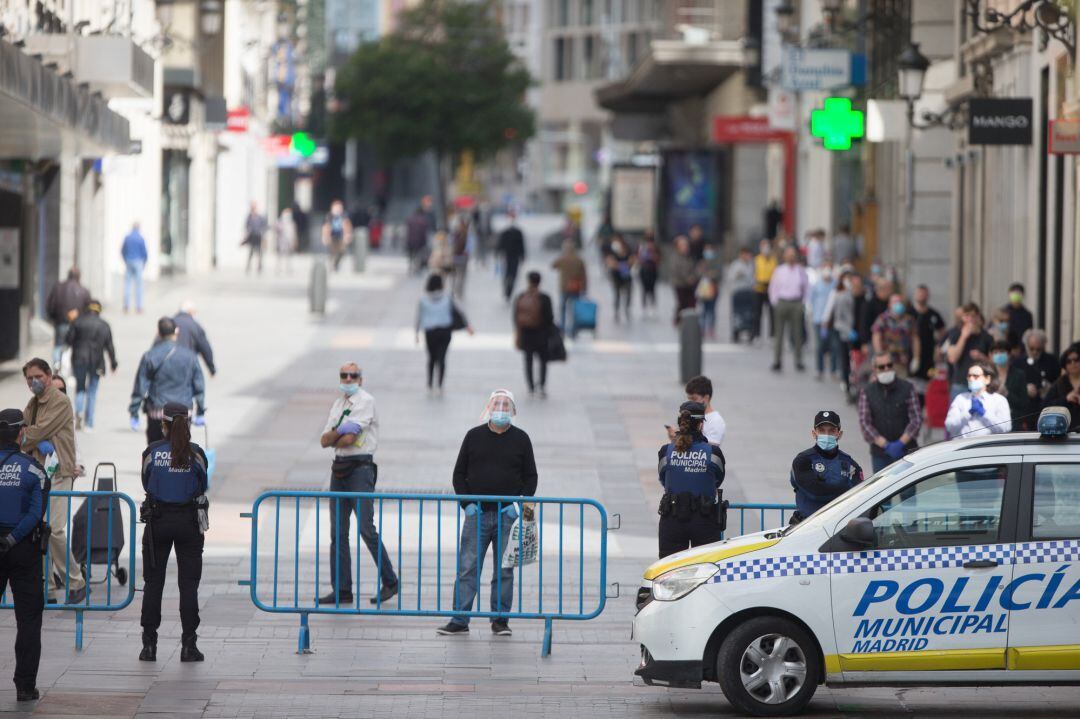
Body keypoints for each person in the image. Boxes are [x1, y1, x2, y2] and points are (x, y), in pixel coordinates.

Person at [438, 390, 537, 637]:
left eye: (506, 405)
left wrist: (518, 506)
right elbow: (459, 474)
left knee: (504, 570)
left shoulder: (521, 439)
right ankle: (459, 619)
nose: (501, 409)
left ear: (513, 411)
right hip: (477, 515)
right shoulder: (474, 436)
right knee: (468, 567)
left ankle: (500, 619)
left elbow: (531, 476)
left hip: (507, 515)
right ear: (488, 408)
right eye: (497, 404)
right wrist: (467, 505)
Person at [317, 362, 399, 605]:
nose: (349, 378)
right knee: (338, 532)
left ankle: (390, 581)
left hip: (361, 469)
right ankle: (342, 589)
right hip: (339, 469)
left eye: (354, 375)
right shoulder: (338, 403)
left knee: (366, 528)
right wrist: (337, 435)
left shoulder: (365, 401)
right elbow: (324, 440)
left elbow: (350, 437)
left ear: (361, 379)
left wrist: (336, 435)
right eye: (344, 374)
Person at [138, 401, 209, 664]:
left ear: (163, 424)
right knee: (188, 586)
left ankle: (149, 646)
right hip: (189, 523)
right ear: (188, 423)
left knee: (153, 584)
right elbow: (203, 483)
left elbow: (146, 481)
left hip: (158, 522)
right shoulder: (197, 454)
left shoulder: (152, 452)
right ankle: (189, 645)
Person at [20, 358, 86, 604]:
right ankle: (46, 588)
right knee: (41, 531)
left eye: (37, 376)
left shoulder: (60, 401)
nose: (33, 381)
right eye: (29, 378)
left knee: (55, 530)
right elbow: (21, 431)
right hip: (39, 473)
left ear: (48, 375)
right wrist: (27, 437)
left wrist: (29, 438)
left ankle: (76, 582)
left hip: (59, 472)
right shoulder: (33, 403)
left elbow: (31, 433)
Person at [0, 409, 46, 702]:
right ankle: (25, 687)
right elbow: (35, 512)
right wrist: (13, 538)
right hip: (22, 548)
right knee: (28, 619)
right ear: (21, 433)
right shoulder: (34, 470)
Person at [656, 401, 726, 558]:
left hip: (672, 519)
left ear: (680, 422)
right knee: (705, 569)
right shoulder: (713, 452)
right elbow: (718, 479)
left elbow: (663, 478)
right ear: (701, 424)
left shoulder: (666, 451)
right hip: (704, 519)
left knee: (669, 570)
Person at [129, 318, 206, 445]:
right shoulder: (190, 356)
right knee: (180, 452)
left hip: (158, 412)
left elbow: (141, 387)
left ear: (158, 333)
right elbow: (199, 385)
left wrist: (134, 411)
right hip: (183, 412)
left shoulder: (150, 356)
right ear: (176, 332)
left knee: (155, 451)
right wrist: (201, 410)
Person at [789, 410, 864, 523]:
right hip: (805, 526)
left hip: (837, 527)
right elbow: (815, 493)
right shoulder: (802, 460)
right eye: (822, 431)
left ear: (839, 434)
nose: (827, 435)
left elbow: (858, 495)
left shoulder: (850, 464)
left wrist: (825, 485)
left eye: (831, 431)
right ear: (814, 433)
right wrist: (845, 487)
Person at [858, 353, 922, 473]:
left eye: (889, 365)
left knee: (908, 491)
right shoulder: (867, 392)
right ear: (875, 369)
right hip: (880, 454)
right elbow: (865, 423)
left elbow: (916, 419)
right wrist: (886, 445)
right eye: (882, 367)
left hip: (906, 451)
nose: (886, 369)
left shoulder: (908, 388)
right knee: (880, 490)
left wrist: (900, 443)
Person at [64, 299, 117, 431]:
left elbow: (68, 340)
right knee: (92, 391)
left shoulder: (78, 322)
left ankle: (79, 412)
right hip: (97, 361)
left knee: (80, 387)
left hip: (79, 360)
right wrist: (113, 363)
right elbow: (109, 346)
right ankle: (89, 423)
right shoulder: (104, 325)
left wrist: (71, 323)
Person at [415, 274, 472, 392]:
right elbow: (460, 311)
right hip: (445, 331)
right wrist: (468, 326)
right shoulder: (448, 297)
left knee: (431, 357)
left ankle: (430, 383)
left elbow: (419, 317)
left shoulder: (423, 299)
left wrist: (416, 333)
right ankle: (440, 383)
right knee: (442, 357)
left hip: (430, 332)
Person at [513, 272, 555, 398]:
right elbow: (550, 317)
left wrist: (519, 330)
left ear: (528, 281)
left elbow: (515, 316)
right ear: (539, 282)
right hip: (541, 334)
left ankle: (530, 387)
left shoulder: (521, 296)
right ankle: (541, 385)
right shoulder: (545, 298)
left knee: (528, 360)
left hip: (526, 334)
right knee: (543, 361)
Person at [945, 361, 1012, 438]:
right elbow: (949, 427)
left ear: (987, 379)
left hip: (988, 447)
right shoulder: (960, 399)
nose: (971, 379)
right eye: (969, 376)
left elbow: (1006, 428)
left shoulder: (999, 400)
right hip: (963, 447)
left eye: (975, 376)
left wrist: (984, 414)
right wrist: (967, 414)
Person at [769, 246, 809, 372]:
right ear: (785, 256)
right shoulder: (779, 270)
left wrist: (804, 303)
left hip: (796, 302)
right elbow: (773, 287)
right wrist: (775, 302)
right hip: (782, 302)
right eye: (788, 255)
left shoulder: (801, 270)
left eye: (793, 255)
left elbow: (807, 288)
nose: (791, 257)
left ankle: (798, 360)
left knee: (797, 334)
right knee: (779, 334)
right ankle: (777, 361)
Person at [943, 302, 994, 400]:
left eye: (973, 316)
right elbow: (952, 358)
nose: (970, 319)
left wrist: (982, 357)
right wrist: (963, 337)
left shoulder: (987, 337)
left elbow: (994, 363)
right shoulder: (955, 334)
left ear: (978, 317)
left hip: (981, 385)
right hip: (961, 383)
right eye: (967, 316)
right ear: (962, 318)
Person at [45, 268, 90, 370]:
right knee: (74, 346)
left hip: (61, 322)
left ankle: (57, 363)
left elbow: (50, 305)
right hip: (77, 324)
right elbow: (88, 309)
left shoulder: (58, 287)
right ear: (79, 276)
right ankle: (69, 367)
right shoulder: (84, 291)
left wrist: (53, 318)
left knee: (58, 344)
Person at [666, 375, 726, 446]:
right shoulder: (689, 414)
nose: (690, 402)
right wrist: (676, 437)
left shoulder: (716, 420)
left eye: (694, 399)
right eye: (689, 399)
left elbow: (711, 448)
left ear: (706, 398)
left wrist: (678, 437)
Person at [871, 293, 920, 376]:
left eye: (900, 302)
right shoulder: (883, 319)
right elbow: (876, 337)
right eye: (895, 302)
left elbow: (915, 338)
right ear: (889, 304)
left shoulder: (909, 320)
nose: (898, 304)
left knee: (901, 385)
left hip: (902, 361)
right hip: (886, 361)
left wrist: (916, 358)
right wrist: (879, 355)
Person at [908, 285, 946, 388]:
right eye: (919, 294)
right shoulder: (908, 313)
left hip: (929, 355)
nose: (921, 296)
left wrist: (939, 347)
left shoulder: (933, 314)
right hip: (910, 355)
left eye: (924, 294)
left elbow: (942, 332)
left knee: (929, 381)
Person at [551, 239, 587, 334]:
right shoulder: (579, 260)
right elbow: (584, 276)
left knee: (562, 308)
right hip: (576, 288)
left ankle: (562, 328)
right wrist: (584, 288)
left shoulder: (563, 259)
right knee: (574, 309)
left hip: (564, 288)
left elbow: (553, 265)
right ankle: (574, 329)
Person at [173, 301, 217, 377]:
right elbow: (205, 348)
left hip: (169, 363)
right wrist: (211, 368)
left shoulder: (168, 323)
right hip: (187, 363)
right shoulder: (194, 325)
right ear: (190, 311)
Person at [809, 263, 836, 381]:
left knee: (834, 346)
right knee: (819, 346)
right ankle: (819, 369)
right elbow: (811, 300)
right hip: (819, 320)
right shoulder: (817, 285)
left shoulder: (835, 285)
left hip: (832, 321)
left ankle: (834, 370)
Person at [1043, 344, 1080, 432]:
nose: (1073, 363)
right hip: (1065, 433)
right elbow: (1045, 406)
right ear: (1065, 365)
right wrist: (1066, 399)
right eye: (1069, 361)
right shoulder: (1059, 384)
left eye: (1077, 360)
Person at [496, 212, 526, 302]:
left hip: (515, 257)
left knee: (513, 275)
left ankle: (509, 291)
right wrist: (498, 253)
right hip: (507, 256)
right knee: (506, 275)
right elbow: (500, 244)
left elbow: (522, 245)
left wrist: (522, 255)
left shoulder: (518, 232)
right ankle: (506, 290)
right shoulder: (505, 232)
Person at [669, 236, 698, 324]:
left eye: (686, 245)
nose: (685, 247)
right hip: (679, 283)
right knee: (682, 303)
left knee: (691, 303)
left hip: (690, 284)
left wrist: (693, 277)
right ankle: (679, 320)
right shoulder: (674, 257)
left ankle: (690, 321)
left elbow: (693, 268)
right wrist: (687, 278)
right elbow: (676, 270)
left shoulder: (689, 256)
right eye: (682, 245)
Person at [751, 239, 776, 340]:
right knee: (757, 313)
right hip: (759, 288)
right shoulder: (756, 260)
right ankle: (756, 334)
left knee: (772, 313)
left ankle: (772, 335)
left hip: (770, 288)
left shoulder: (773, 260)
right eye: (764, 246)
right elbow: (752, 274)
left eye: (767, 246)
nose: (766, 248)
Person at [121, 223, 148, 313]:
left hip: (129, 261)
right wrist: (144, 263)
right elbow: (144, 252)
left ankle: (126, 306)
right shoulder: (140, 238)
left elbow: (123, 250)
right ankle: (138, 307)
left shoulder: (127, 237)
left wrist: (125, 260)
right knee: (139, 286)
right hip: (138, 262)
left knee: (127, 284)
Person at [696, 245, 723, 339]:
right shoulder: (701, 263)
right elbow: (698, 274)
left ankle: (711, 329)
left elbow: (719, 274)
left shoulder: (717, 263)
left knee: (712, 310)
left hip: (714, 289)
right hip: (703, 291)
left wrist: (710, 275)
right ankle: (702, 328)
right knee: (703, 310)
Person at [607, 235, 634, 323]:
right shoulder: (612, 252)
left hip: (626, 276)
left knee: (628, 293)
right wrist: (620, 265)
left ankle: (627, 309)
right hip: (616, 276)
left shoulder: (628, 251)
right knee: (617, 294)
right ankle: (617, 310)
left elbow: (632, 261)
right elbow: (610, 262)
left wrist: (623, 265)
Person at [321, 200, 353, 272]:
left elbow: (348, 226)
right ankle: (332, 264)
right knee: (332, 251)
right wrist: (324, 237)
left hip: (341, 237)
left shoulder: (344, 217)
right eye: (336, 208)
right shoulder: (329, 216)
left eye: (339, 208)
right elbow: (325, 227)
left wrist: (348, 235)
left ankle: (335, 264)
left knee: (342, 251)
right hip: (332, 236)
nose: (338, 210)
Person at [637, 232, 660, 316]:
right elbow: (639, 258)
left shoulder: (655, 248)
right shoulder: (642, 247)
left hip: (653, 270)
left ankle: (653, 306)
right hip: (644, 270)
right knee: (644, 289)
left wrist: (653, 253)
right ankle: (644, 306)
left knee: (652, 288)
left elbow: (659, 258)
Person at [242, 202, 267, 275]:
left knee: (259, 252)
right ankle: (249, 266)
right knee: (251, 252)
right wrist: (246, 235)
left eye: (254, 207)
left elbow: (264, 226)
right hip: (252, 236)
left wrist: (263, 236)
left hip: (258, 236)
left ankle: (260, 266)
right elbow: (246, 226)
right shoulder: (249, 217)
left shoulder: (260, 217)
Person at [405, 205, 431, 274]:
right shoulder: (423, 221)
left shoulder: (410, 219)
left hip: (410, 240)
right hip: (419, 242)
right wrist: (425, 243)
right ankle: (416, 268)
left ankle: (411, 267)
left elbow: (407, 230)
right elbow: (424, 233)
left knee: (411, 255)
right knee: (418, 256)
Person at [275, 207, 298, 274]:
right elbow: (277, 230)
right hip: (282, 240)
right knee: (280, 255)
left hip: (289, 240)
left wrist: (294, 240)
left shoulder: (291, 223)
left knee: (289, 255)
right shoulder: (280, 221)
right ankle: (279, 268)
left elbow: (294, 232)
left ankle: (289, 268)